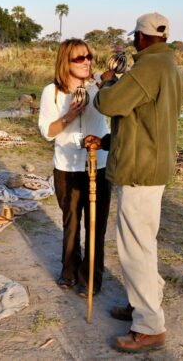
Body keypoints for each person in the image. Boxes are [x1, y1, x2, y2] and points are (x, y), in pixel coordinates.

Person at [92, 13, 183, 352]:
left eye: (135, 37)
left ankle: (149, 326)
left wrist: (106, 81)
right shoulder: (171, 68)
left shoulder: (149, 68)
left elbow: (109, 104)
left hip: (141, 170)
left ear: (142, 38)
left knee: (135, 251)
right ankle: (144, 301)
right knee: (144, 243)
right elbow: (143, 118)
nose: (134, 41)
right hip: (153, 166)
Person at [38, 39, 112, 298]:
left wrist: (107, 80)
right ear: (64, 62)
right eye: (78, 58)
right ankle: (69, 271)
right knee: (71, 223)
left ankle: (91, 278)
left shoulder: (99, 87)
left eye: (89, 56)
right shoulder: (53, 92)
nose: (86, 61)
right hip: (67, 167)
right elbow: (47, 132)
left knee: (96, 224)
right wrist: (69, 114)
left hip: (98, 164)